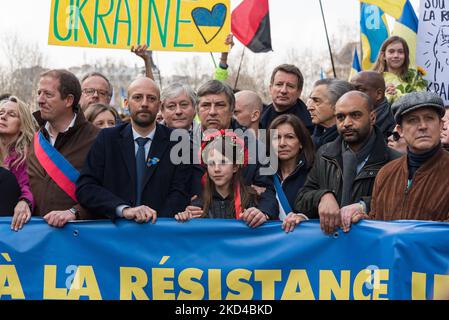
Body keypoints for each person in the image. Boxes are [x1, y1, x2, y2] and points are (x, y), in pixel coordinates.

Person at [76, 77, 191, 223]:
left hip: (160, 233)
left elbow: (181, 191)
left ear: (159, 105)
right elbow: (86, 188)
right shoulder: (106, 139)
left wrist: (154, 222)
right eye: (137, 97)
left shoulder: (179, 142)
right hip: (113, 235)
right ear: (126, 103)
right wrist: (123, 210)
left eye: (151, 98)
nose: (144, 103)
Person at [294, 91, 401, 234]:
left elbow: (399, 203)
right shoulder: (325, 154)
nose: (347, 123)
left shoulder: (394, 161)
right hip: (332, 247)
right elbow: (301, 199)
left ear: (372, 117)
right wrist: (322, 197)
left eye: (355, 115)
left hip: (373, 248)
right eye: (340, 117)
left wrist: (364, 206)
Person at [342, 91, 449, 230]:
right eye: (412, 120)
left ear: (441, 125)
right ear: (400, 130)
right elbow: (378, 222)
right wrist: (363, 223)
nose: (422, 126)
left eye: (429, 118)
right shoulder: (386, 173)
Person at [194, 80, 279, 219]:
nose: (212, 112)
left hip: (243, 232)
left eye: (220, 105)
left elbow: (267, 191)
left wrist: (263, 212)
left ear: (232, 110)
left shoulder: (255, 147)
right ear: (197, 110)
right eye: (205, 105)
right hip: (199, 233)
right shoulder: (186, 145)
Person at [28, 69, 99, 228]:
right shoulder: (32, 140)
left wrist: (76, 212)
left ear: (68, 100)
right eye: (39, 93)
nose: (40, 100)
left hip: (82, 242)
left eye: (48, 94)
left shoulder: (98, 139)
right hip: (37, 243)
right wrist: (23, 202)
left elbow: (109, 191)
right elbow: (24, 185)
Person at [175, 131, 268, 228]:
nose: (216, 169)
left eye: (223, 162)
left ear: (235, 166)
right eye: (211, 163)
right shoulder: (198, 205)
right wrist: (185, 219)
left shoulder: (252, 200)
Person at [267, 114, 315, 232]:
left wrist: (303, 218)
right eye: (276, 137)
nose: (282, 143)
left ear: (301, 143)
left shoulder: (313, 174)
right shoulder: (261, 175)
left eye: (290, 137)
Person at [0, 96, 36, 231]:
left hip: (12, 223)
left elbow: (29, 186)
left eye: (11, 114)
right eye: (1, 113)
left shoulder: (29, 155)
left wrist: (25, 201)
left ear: (22, 124)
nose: (3, 117)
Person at [260, 64, 314, 133]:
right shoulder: (258, 119)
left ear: (299, 92)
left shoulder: (311, 125)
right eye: (279, 84)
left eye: (290, 86)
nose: (283, 91)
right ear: (270, 88)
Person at [372, 36, 427, 103]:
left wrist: (396, 94)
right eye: (391, 52)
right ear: (383, 56)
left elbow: (422, 100)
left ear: (406, 55)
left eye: (400, 52)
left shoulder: (415, 77)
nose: (396, 55)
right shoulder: (373, 78)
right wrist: (385, 95)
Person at [307, 79, 354, 149]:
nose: (309, 108)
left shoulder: (351, 142)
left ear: (337, 105)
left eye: (316, 101)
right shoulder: (310, 140)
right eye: (311, 100)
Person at [350, 71, 395, 138]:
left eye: (360, 90)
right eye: (351, 90)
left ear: (378, 94)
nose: (352, 95)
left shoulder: (394, 121)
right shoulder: (346, 118)